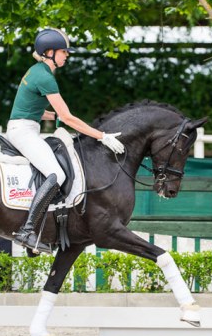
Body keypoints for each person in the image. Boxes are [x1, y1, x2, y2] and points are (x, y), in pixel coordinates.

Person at [7, 28, 125, 253]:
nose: (67, 55)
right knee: (58, 175)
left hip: (25, 127)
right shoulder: (45, 76)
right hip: (23, 132)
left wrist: (54, 117)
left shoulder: (36, 71)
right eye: (63, 52)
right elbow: (68, 117)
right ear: (49, 52)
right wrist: (102, 136)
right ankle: (27, 230)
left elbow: (32, 109)